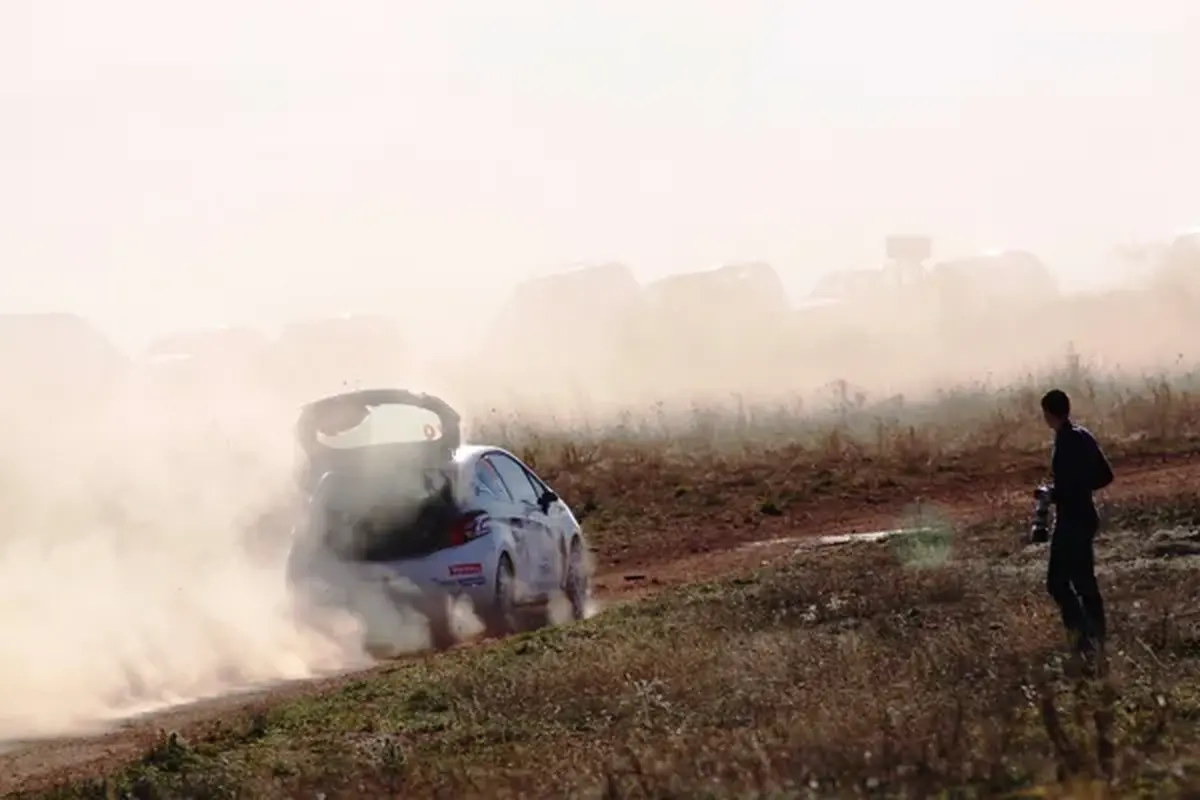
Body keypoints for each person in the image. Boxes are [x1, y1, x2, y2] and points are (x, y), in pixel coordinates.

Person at [1039, 388, 1114, 661]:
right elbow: (1106, 475)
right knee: (1084, 581)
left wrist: (1053, 494)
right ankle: (1096, 635)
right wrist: (1081, 488)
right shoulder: (1083, 436)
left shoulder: (1065, 442)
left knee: (1057, 582)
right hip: (1086, 515)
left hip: (1071, 519)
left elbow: (1069, 487)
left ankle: (1082, 638)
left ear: (1048, 413)